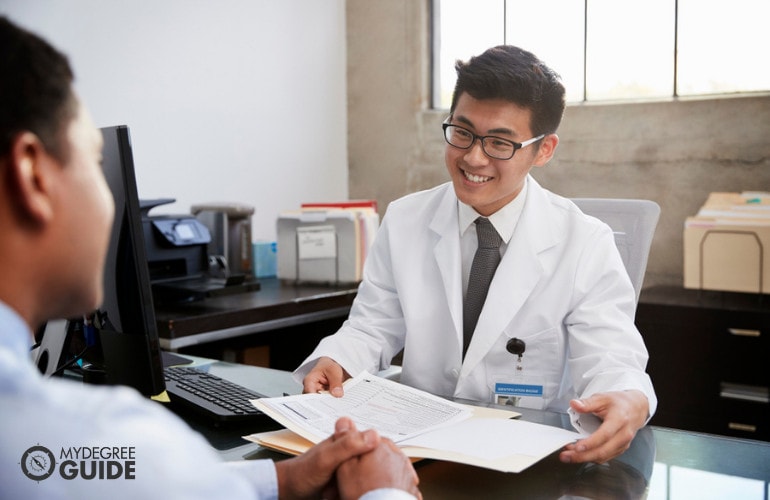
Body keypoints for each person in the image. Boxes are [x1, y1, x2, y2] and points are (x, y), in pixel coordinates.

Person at [0, 16, 420, 500]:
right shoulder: (87, 435)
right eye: (93, 162)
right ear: (32, 175)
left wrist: (282, 479)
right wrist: (385, 493)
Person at [295, 45, 657, 465]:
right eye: (462, 132)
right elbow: (373, 324)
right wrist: (337, 358)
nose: (473, 157)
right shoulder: (405, 218)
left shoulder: (585, 241)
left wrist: (627, 396)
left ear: (544, 149)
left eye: (500, 142)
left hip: (526, 460)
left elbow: (611, 353)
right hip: (416, 453)